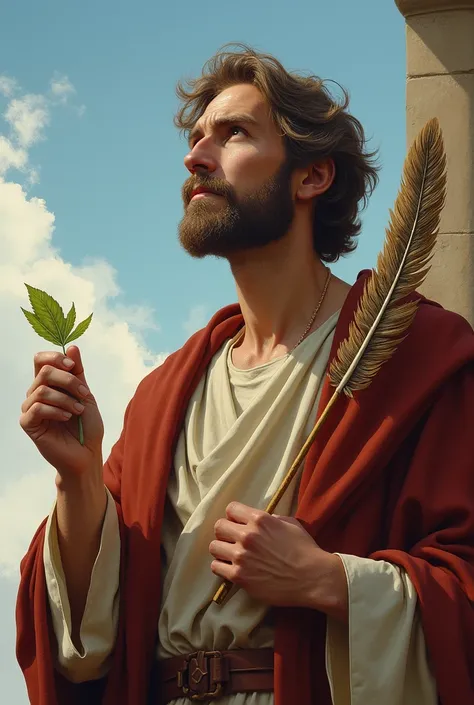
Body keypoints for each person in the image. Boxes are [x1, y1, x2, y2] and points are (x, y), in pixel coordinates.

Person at [16, 45, 474, 705]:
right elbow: (85, 646)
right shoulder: (162, 396)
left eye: (232, 133)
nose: (195, 156)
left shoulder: (418, 357)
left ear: (311, 176)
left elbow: (463, 584)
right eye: (197, 137)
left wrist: (327, 579)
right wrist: (79, 475)